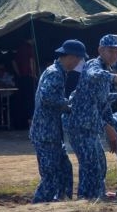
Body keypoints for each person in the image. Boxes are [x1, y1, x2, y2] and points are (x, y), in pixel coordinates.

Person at [65, 34, 117, 199]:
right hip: (80, 124)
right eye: (111, 51)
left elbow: (101, 98)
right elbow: (93, 75)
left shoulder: (107, 70)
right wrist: (115, 77)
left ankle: (96, 194)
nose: (114, 55)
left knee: (99, 163)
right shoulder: (93, 65)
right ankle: (87, 198)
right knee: (91, 164)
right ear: (100, 50)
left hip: (91, 124)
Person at [29, 41, 84, 202]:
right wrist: (69, 105)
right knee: (50, 175)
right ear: (71, 57)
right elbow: (48, 98)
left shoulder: (56, 71)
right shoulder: (55, 73)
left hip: (51, 132)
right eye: (78, 59)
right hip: (46, 133)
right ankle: (38, 206)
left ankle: (61, 202)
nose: (78, 63)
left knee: (65, 169)